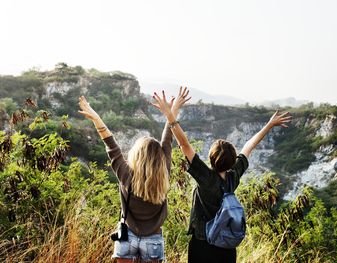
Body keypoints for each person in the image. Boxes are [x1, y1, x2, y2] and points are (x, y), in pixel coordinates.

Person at [151, 87, 292, 263]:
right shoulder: (234, 176)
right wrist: (269, 125)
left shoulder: (206, 178)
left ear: (211, 158)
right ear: (233, 161)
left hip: (202, 244)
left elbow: (184, 144)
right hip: (226, 245)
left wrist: (169, 114)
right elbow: (250, 146)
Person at [78, 89, 191, 263]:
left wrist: (96, 118)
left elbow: (111, 145)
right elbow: (167, 140)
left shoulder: (126, 175)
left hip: (126, 238)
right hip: (153, 240)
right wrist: (172, 112)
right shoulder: (164, 173)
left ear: (136, 155)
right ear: (160, 158)